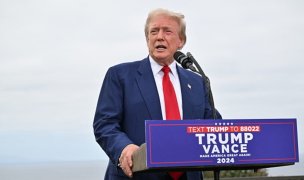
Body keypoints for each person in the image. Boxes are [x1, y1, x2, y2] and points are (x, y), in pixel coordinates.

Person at [93, 8, 222, 180]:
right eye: (154, 31)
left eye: (167, 31)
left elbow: (216, 128)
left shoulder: (198, 82)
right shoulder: (120, 76)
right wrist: (125, 148)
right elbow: (105, 124)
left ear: (181, 41)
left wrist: (249, 152)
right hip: (137, 175)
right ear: (147, 38)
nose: (159, 36)